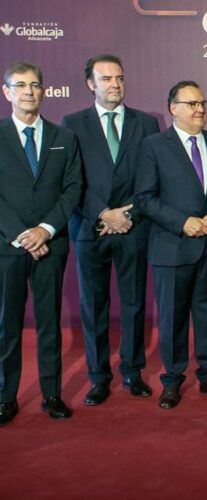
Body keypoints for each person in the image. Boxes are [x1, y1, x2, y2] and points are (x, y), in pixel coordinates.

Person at [135, 81, 207, 409]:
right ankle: (172, 380)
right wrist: (182, 222)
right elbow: (144, 198)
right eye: (192, 103)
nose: (200, 109)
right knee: (173, 318)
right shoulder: (154, 145)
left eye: (203, 102)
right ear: (173, 109)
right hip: (173, 248)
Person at [62, 55, 160, 406]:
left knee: (134, 305)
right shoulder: (71, 124)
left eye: (119, 77)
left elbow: (151, 178)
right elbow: (71, 181)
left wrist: (125, 215)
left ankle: (133, 373)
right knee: (94, 306)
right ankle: (99, 377)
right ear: (90, 84)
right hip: (91, 229)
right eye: (106, 79)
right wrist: (103, 213)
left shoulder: (147, 123)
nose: (114, 84)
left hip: (133, 227)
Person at [0, 62, 82, 426]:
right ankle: (5, 397)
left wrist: (46, 230)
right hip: (8, 246)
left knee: (50, 323)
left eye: (35, 85)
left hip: (52, 245)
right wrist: (22, 234)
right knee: (7, 325)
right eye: (20, 86)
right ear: (7, 92)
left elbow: (73, 189)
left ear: (44, 90)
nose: (29, 92)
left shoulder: (63, 136)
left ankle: (52, 395)